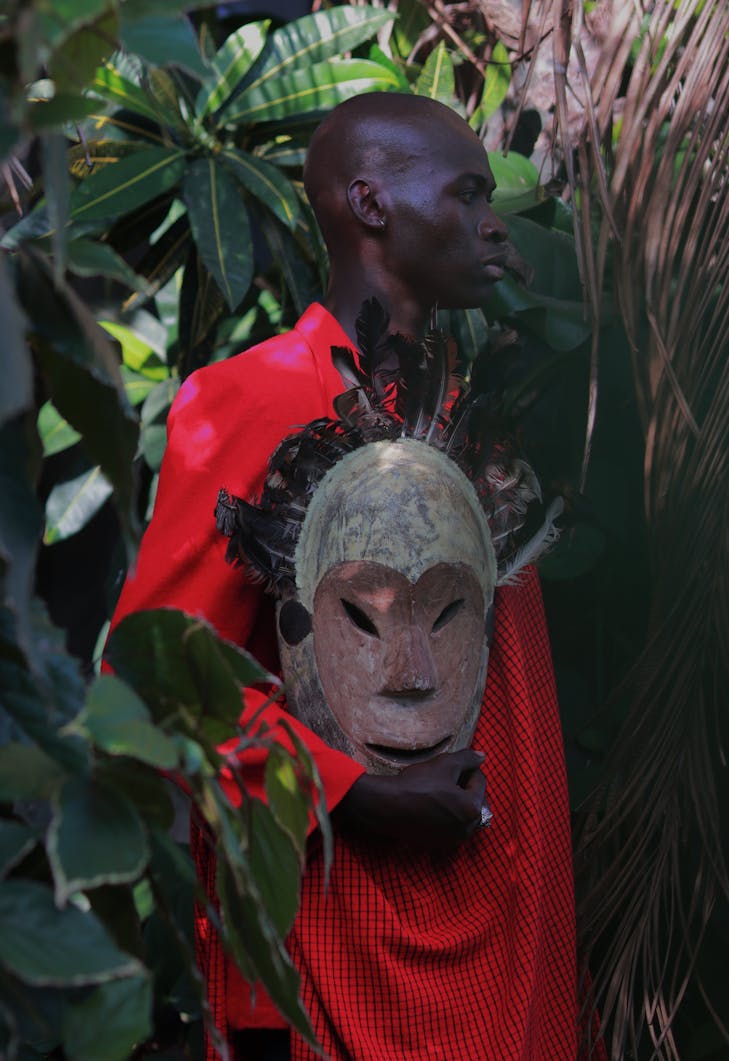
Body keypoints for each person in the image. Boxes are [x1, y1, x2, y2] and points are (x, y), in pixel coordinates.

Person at [108, 92, 579, 1060]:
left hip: (505, 952)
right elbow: (152, 680)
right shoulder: (253, 398)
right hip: (343, 956)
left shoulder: (476, 419)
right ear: (371, 204)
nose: (494, 225)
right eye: (467, 194)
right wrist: (350, 790)